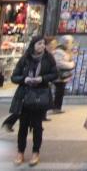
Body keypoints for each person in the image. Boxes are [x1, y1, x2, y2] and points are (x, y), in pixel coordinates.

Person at [10, 35, 58, 166]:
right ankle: (20, 152)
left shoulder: (48, 58)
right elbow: (14, 77)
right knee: (23, 126)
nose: (42, 46)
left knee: (37, 126)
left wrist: (42, 79)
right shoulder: (25, 58)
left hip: (40, 96)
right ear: (33, 45)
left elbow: (55, 74)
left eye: (43, 44)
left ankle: (36, 152)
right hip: (25, 96)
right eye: (39, 44)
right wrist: (24, 79)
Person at [51, 35, 75, 114]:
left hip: (62, 76)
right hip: (59, 75)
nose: (72, 44)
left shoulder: (65, 51)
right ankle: (56, 108)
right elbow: (58, 63)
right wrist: (71, 64)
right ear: (66, 42)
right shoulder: (59, 51)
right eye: (71, 42)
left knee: (60, 92)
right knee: (59, 92)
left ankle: (57, 107)